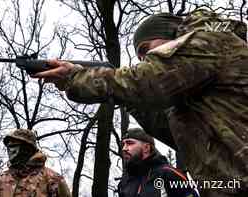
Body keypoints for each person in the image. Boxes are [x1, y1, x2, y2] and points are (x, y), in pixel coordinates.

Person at [32, 9, 248, 197]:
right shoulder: (193, 95)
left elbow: (147, 80)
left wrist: (76, 78)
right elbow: (173, 131)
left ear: (171, 35)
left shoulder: (208, 40)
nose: (144, 59)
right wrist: (128, 99)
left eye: (146, 49)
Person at [0, 128, 71, 197]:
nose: (10, 151)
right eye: (8, 147)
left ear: (27, 148)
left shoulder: (52, 179)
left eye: (14, 146)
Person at [119, 127, 198, 197]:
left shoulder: (168, 174)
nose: (124, 148)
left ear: (146, 148)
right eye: (123, 144)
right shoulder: (125, 180)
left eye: (130, 143)